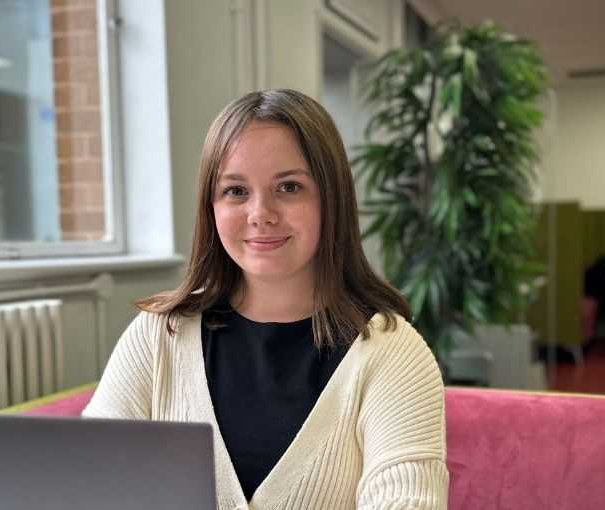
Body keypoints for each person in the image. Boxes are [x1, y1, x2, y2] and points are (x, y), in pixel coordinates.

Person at [83, 89, 448, 509]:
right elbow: (93, 486)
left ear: (332, 200)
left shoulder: (393, 353)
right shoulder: (157, 335)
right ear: (211, 206)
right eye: (236, 191)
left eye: (289, 187)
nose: (260, 213)